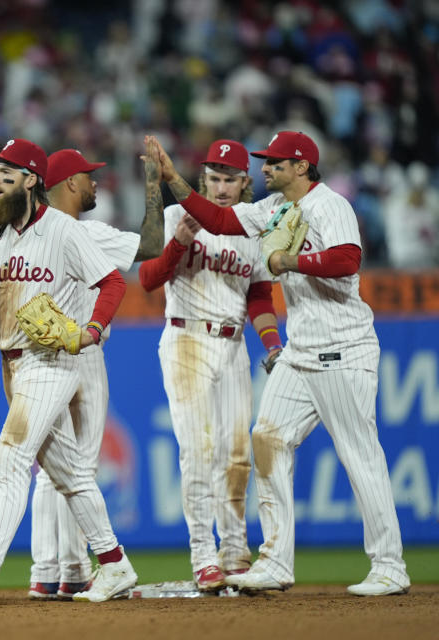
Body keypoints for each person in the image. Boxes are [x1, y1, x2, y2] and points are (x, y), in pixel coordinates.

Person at [148, 131, 410, 596]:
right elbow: (219, 219)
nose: (264, 169)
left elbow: (349, 259)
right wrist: (173, 179)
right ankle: (275, 560)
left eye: (275, 163)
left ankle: (389, 565)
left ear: (303, 167)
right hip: (299, 353)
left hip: (343, 349)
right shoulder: (271, 210)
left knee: (359, 454)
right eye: (265, 162)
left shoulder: (331, 206)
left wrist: (291, 259)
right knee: (267, 439)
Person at [0, 138, 138, 604]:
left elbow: (112, 281)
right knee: (70, 475)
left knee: (10, 456)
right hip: (13, 364)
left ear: (31, 180)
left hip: (51, 360)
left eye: (6, 171)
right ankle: (114, 564)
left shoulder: (64, 230)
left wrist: (92, 329)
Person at [138, 140, 282, 591]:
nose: (221, 187)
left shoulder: (254, 230)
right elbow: (146, 278)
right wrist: (180, 241)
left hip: (234, 344)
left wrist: (272, 344)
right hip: (186, 337)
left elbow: (259, 295)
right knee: (198, 451)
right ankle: (203, 555)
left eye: (230, 179)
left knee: (237, 453)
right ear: (203, 179)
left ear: (246, 183)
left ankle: (236, 552)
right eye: (214, 178)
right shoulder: (172, 216)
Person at [27, 149, 163, 600]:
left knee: (51, 467)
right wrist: (152, 186)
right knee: (78, 467)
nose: (94, 184)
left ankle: (53, 570)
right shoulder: (86, 235)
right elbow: (152, 245)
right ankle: (75, 568)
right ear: (69, 184)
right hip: (80, 355)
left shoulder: (27, 234)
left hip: (38, 355)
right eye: (88, 177)